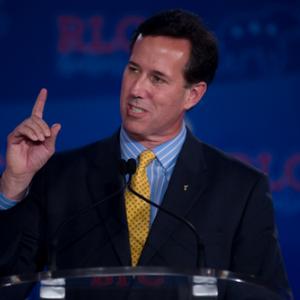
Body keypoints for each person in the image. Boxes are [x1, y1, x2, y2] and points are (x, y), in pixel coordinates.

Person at [0, 9, 291, 297]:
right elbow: (7, 288)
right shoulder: (59, 177)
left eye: (158, 79)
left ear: (193, 94)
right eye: (133, 69)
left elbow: (266, 295)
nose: (137, 89)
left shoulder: (240, 189)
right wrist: (13, 185)